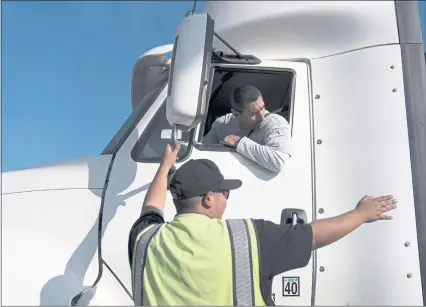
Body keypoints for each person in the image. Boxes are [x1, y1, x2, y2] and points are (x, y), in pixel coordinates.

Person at [128, 144, 397, 306]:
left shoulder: (145, 240)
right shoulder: (246, 239)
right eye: (225, 193)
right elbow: (314, 235)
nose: (226, 199)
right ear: (209, 199)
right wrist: (361, 214)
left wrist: (165, 167)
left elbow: (151, 208)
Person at [202, 84, 292, 173]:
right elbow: (202, 155)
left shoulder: (275, 123)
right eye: (254, 113)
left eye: (262, 108)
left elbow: (279, 162)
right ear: (236, 114)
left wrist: (239, 142)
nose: (261, 117)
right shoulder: (221, 124)